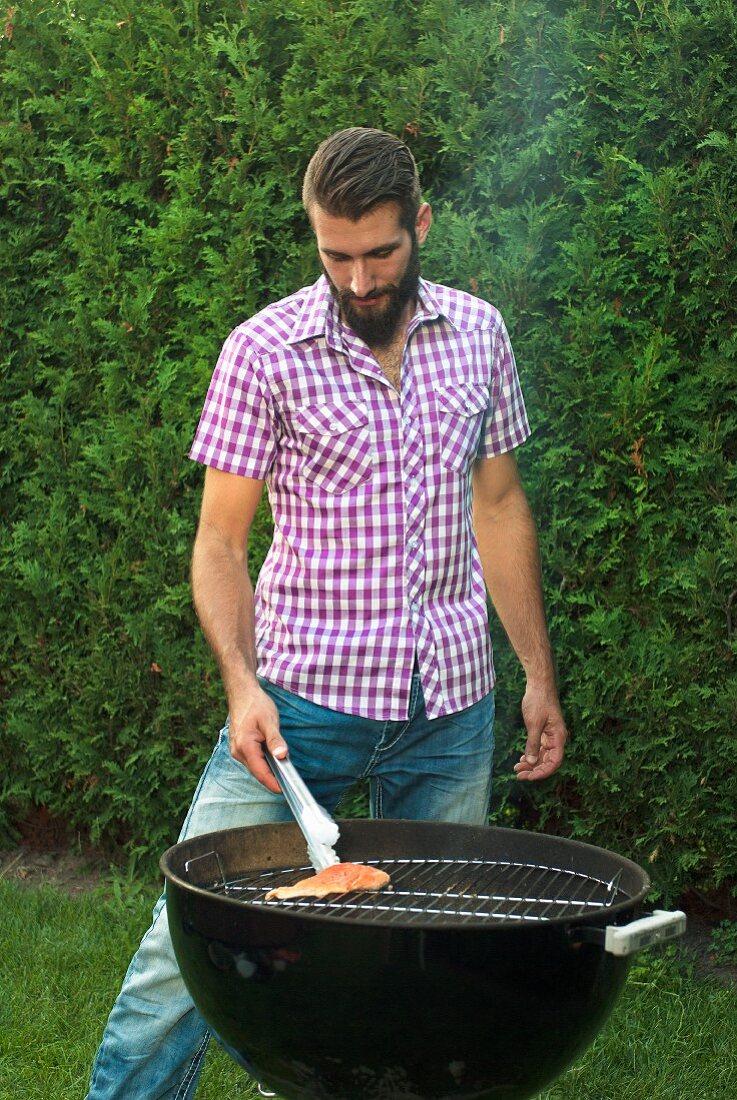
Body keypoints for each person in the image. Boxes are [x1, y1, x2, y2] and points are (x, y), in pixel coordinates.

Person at [85, 126, 568, 1099]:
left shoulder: (479, 333)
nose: (356, 278)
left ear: (420, 226)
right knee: (182, 956)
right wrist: (239, 684)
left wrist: (536, 675)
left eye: (379, 252)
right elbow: (220, 541)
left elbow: (499, 504)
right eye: (334, 254)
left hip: (450, 710)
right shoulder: (262, 349)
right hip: (297, 709)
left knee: (430, 959)